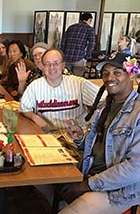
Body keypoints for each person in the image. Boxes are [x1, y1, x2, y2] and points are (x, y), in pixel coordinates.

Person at [57, 52, 140, 214]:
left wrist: (87, 185)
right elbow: (96, 146)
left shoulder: (137, 113)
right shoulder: (103, 107)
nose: (109, 77)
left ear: (132, 76)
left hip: (119, 191)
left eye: (117, 72)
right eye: (105, 73)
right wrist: (80, 138)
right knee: (44, 182)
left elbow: (136, 168)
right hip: (89, 174)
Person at [20, 48, 100, 132]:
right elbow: (24, 109)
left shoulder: (79, 83)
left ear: (63, 65)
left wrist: (90, 119)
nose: (52, 67)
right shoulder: (35, 86)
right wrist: (35, 117)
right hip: (49, 135)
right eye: (48, 64)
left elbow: (104, 100)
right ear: (43, 66)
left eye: (56, 63)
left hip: (77, 136)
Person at [60, 12, 95, 76]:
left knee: (65, 78)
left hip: (67, 57)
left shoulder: (71, 27)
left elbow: (63, 42)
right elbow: (91, 44)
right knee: (77, 81)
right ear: (89, 19)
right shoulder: (89, 29)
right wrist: (86, 56)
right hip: (79, 58)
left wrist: (62, 55)